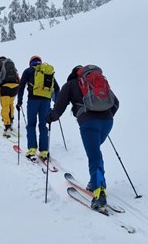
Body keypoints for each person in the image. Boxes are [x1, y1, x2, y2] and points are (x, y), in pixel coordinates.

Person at [48, 65, 119, 211]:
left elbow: (59, 106)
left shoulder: (71, 84)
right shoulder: (99, 82)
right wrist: (106, 115)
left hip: (88, 123)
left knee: (94, 156)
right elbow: (116, 103)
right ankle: (94, 182)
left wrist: (50, 118)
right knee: (96, 153)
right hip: (107, 121)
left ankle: (99, 193)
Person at [16, 55, 59, 161]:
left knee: (31, 125)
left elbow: (21, 87)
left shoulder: (28, 71)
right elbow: (57, 88)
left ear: (31, 63)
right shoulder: (47, 72)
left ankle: (32, 149)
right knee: (43, 125)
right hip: (46, 101)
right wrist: (56, 102)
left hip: (33, 101)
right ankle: (44, 151)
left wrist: (19, 101)